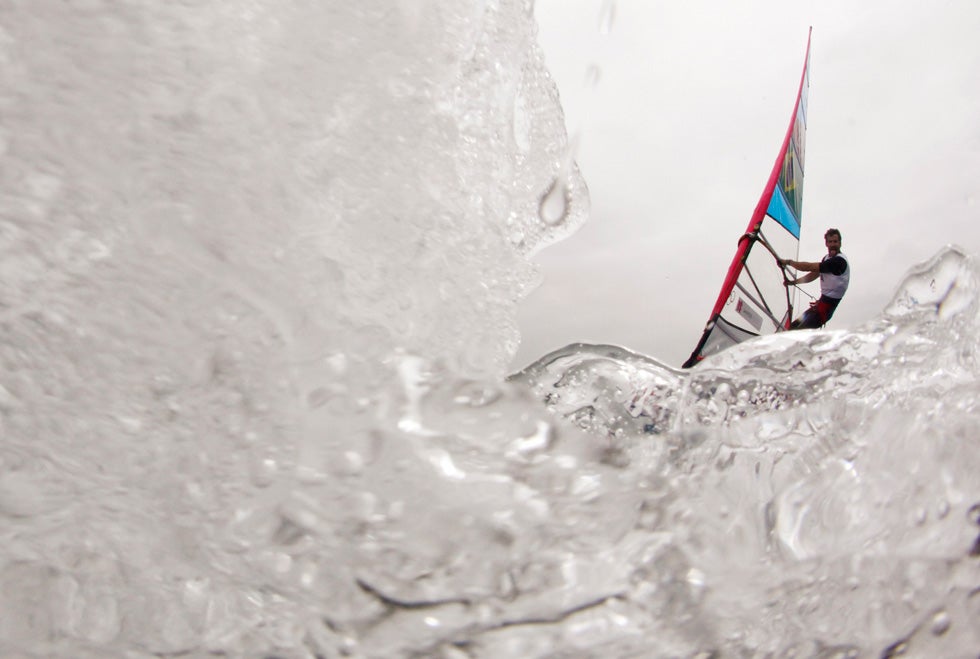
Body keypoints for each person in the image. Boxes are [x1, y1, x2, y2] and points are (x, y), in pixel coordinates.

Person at [778, 228, 849, 330]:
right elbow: (813, 274)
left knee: (797, 332)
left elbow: (808, 267)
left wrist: (789, 262)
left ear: (840, 243)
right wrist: (794, 282)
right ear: (826, 244)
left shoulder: (839, 261)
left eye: (835, 242)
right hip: (817, 307)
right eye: (830, 242)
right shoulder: (826, 258)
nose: (833, 244)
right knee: (792, 326)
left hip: (823, 312)